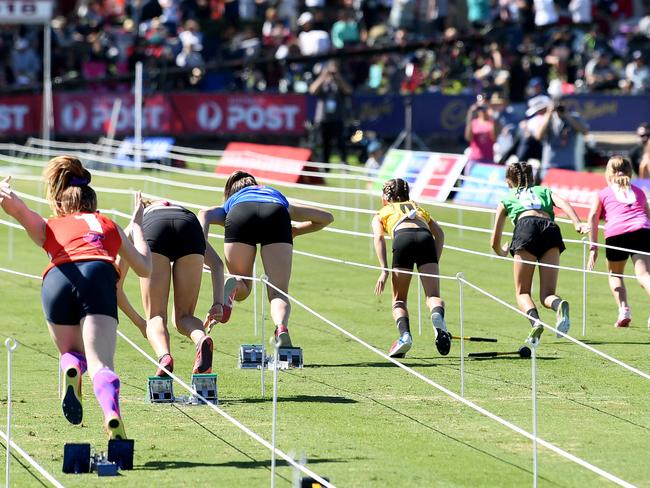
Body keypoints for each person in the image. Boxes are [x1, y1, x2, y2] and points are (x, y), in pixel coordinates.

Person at [0, 156, 152, 439]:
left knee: (72, 353)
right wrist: (138, 227)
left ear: (60, 201)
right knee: (101, 364)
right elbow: (145, 267)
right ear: (92, 203)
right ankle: (112, 415)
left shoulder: (51, 226)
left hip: (57, 279)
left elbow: (18, 210)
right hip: (97, 274)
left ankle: (71, 366)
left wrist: (5, 192)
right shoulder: (108, 225)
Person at [198, 171, 334, 346]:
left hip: (240, 214)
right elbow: (326, 218)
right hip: (276, 213)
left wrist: (203, 250)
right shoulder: (276, 196)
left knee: (243, 286)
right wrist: (296, 230)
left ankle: (234, 283)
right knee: (278, 292)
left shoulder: (232, 201)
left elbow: (204, 214)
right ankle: (281, 328)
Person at [116, 199, 226, 377]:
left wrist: (142, 324)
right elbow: (218, 265)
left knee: (156, 316)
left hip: (154, 228)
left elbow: (116, 284)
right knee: (184, 317)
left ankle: (164, 357)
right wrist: (218, 303)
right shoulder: (181, 212)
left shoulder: (138, 222)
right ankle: (201, 339)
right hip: (189, 225)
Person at [490, 162, 588, 345]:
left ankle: (536, 322)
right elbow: (564, 203)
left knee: (522, 292)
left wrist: (501, 251)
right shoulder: (544, 191)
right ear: (533, 178)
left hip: (526, 228)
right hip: (550, 230)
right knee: (547, 294)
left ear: (508, 181)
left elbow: (494, 240)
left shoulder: (506, 198)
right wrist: (577, 223)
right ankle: (559, 305)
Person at [372, 178, 450, 358]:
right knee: (433, 296)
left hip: (402, 238)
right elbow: (439, 234)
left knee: (399, 301)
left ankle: (405, 336)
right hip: (425, 238)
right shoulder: (417, 207)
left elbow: (379, 238)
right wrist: (433, 260)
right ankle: (437, 317)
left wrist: (384, 270)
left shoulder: (382, 212)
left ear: (386, 197)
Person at [587, 156, 650, 328]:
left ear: (608, 173)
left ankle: (624, 309)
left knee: (615, 274)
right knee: (644, 275)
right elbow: (647, 216)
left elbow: (592, 217)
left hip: (616, 234)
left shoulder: (603, 193)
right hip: (641, 231)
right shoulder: (639, 191)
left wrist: (594, 247)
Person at [309, 61, 353, 166]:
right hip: (323, 118)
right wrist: (323, 76)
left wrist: (338, 78)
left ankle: (343, 162)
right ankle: (324, 164)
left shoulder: (340, 81)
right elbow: (312, 90)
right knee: (324, 143)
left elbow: (348, 91)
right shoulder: (322, 81)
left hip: (338, 117)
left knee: (341, 142)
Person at [535, 98, 589, 177]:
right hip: (549, 165)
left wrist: (567, 116)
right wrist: (549, 113)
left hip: (569, 164)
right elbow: (538, 135)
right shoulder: (546, 118)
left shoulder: (574, 117)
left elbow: (585, 132)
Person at [464, 97, 498, 169]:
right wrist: (471, 114)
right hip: (474, 159)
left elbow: (494, 138)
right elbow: (468, 138)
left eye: (484, 106)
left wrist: (492, 116)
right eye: (480, 107)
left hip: (488, 159)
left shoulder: (492, 123)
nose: (482, 110)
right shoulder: (474, 122)